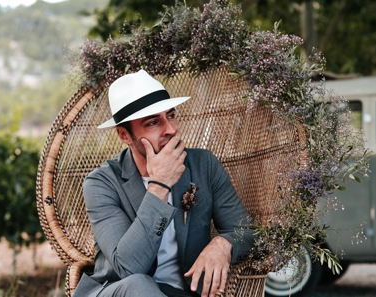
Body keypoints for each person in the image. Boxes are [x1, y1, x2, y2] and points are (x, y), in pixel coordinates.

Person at [76, 70, 256, 297]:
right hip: (120, 291)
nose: (171, 129)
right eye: (153, 122)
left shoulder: (203, 165)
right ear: (124, 135)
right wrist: (160, 184)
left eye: (170, 115)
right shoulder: (101, 183)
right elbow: (128, 268)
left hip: (184, 293)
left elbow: (246, 231)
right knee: (140, 285)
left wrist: (223, 244)